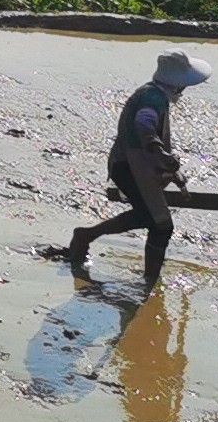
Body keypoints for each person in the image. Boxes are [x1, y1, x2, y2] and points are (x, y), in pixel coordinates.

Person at [65, 50, 208, 282]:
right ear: (178, 85)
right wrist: (159, 150)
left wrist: (169, 168)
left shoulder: (151, 92)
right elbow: (144, 124)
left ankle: (88, 236)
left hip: (132, 165)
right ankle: (150, 281)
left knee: (146, 217)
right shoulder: (153, 99)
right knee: (162, 226)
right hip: (131, 168)